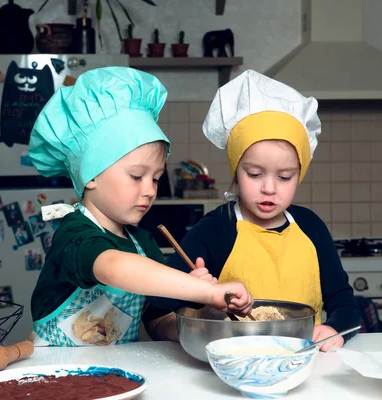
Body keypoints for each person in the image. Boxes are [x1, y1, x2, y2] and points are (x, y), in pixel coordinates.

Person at [27, 67, 254, 346]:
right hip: (55, 378)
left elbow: (157, 325)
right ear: (91, 175)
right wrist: (202, 290)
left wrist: (198, 312)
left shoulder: (143, 243)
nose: (150, 190)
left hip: (116, 381)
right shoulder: (75, 235)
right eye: (136, 176)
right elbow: (113, 267)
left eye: (156, 179)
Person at [147, 70, 361, 351]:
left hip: (308, 362)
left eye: (285, 177)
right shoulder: (214, 230)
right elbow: (154, 316)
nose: (269, 188)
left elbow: (344, 303)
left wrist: (335, 330)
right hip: (230, 367)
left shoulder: (311, 227)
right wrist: (197, 310)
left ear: (300, 174)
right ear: (236, 170)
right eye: (255, 174)